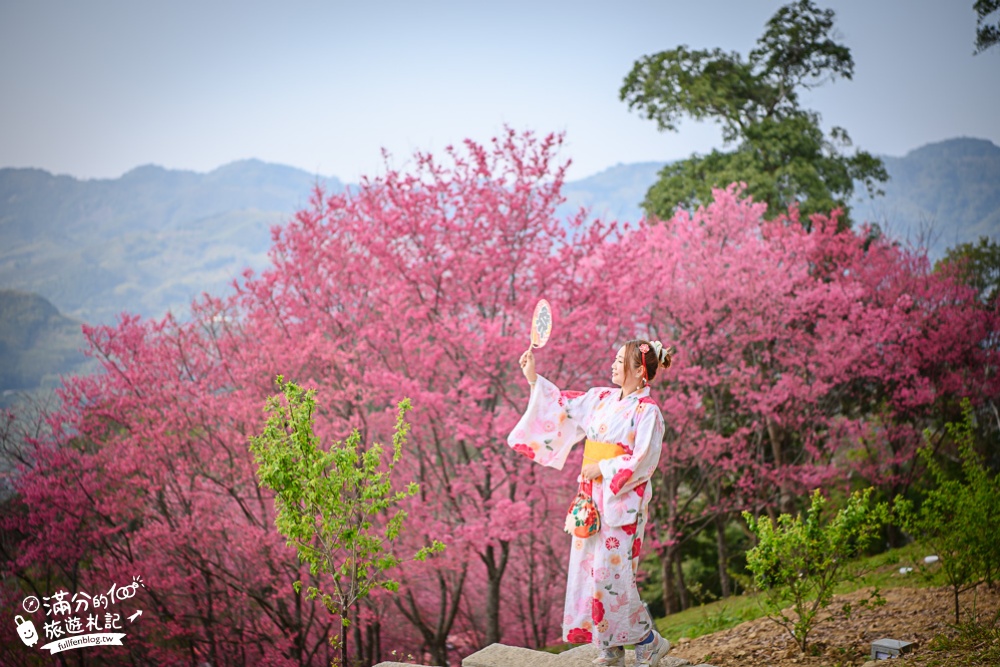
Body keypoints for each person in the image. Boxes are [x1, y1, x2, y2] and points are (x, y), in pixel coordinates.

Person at [508, 339, 674, 666]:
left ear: (640, 370)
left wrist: (604, 467)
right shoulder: (601, 397)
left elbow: (644, 460)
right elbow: (564, 406)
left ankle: (648, 640)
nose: (612, 365)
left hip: (621, 500)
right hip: (591, 497)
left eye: (619, 360)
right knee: (588, 572)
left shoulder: (648, 412)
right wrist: (533, 378)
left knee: (612, 576)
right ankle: (610, 650)